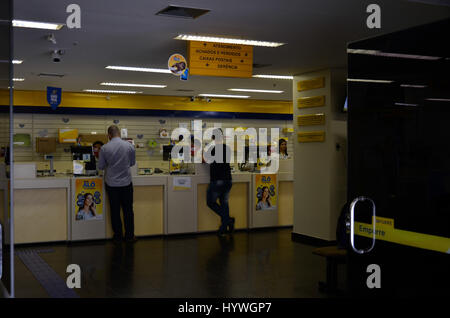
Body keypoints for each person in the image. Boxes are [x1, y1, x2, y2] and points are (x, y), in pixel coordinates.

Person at [98, 125, 137, 243]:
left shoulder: (104, 148)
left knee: (115, 211)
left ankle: (118, 236)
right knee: (128, 210)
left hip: (112, 184)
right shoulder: (129, 146)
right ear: (119, 133)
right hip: (126, 183)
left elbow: (101, 166)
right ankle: (130, 236)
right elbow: (132, 163)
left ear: (109, 135)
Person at [206, 128, 235, 236]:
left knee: (210, 202)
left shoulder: (212, 148)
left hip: (217, 180)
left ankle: (228, 221)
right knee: (224, 203)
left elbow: (204, 160)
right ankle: (224, 228)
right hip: (228, 180)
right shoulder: (227, 148)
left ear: (213, 137)